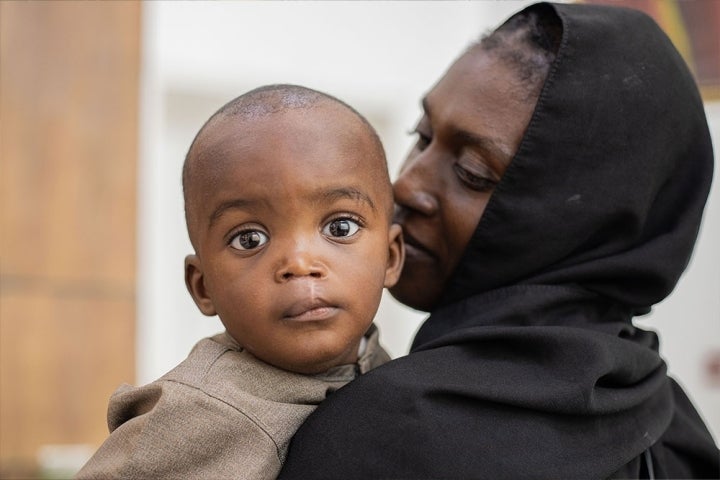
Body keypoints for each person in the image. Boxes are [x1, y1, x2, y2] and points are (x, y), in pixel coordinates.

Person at [278, 3, 719, 479]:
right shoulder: (666, 419)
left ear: (585, 223)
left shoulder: (391, 435)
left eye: (473, 173)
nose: (406, 184)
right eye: (422, 136)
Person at [75, 84, 404, 479]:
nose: (300, 263)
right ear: (202, 286)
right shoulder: (202, 416)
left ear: (391, 255)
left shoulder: (385, 363)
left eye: (340, 226)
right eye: (250, 239)